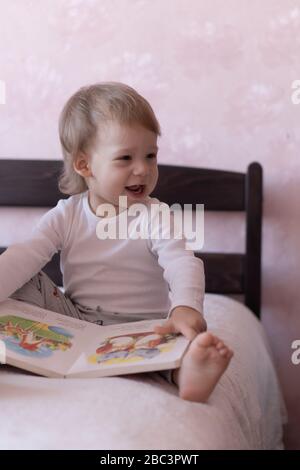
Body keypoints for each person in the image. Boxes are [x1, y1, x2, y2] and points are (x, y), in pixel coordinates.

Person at [0, 82, 233, 402]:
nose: (143, 169)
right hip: (76, 322)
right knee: (22, 276)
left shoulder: (155, 215)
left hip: (144, 327)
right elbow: (25, 254)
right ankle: (15, 349)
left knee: (174, 342)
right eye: (125, 158)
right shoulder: (67, 215)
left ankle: (188, 371)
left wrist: (184, 307)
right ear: (84, 165)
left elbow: (182, 262)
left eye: (151, 156)